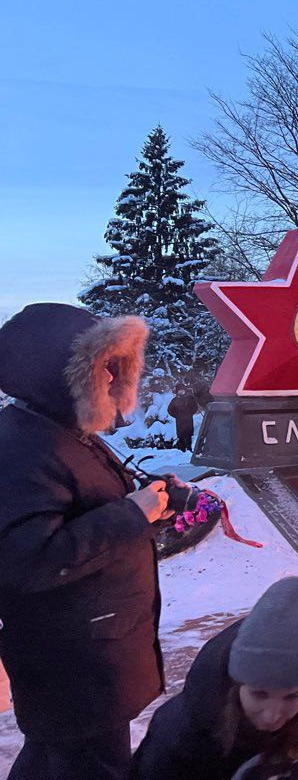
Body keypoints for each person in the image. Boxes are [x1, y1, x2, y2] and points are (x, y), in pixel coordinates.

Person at [0, 304, 172, 780]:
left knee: (55, 756)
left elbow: (84, 506)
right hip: (76, 665)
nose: (115, 376)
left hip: (87, 654)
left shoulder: (58, 430)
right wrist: (130, 514)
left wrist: (149, 500)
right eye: (104, 366)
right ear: (57, 373)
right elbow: (27, 559)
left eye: (119, 364)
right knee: (94, 764)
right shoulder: (25, 448)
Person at [132, 577, 298, 780]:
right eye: (259, 693)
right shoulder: (183, 731)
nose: (273, 714)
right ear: (236, 685)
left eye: (292, 696)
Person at [168, 382, 201, 452]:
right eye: (179, 390)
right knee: (181, 436)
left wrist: (190, 413)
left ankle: (189, 449)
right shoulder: (175, 400)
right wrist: (177, 415)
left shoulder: (189, 398)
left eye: (182, 390)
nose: (181, 391)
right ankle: (182, 450)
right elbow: (170, 410)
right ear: (177, 391)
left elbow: (195, 407)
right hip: (180, 421)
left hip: (188, 420)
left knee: (188, 435)